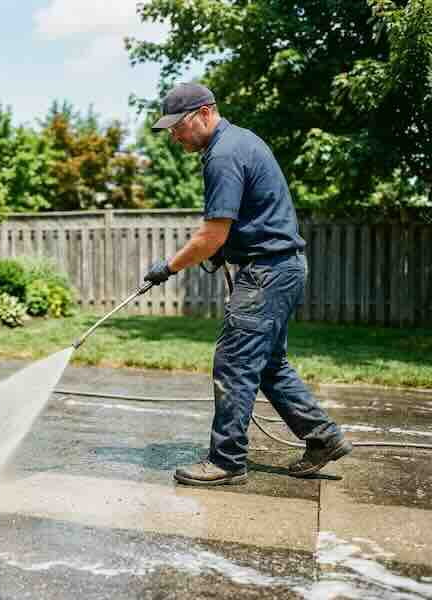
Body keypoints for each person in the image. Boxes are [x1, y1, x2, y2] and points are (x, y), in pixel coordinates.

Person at [144, 82, 351, 486]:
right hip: (282, 268)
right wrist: (232, 246)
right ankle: (322, 437)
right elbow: (242, 221)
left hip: (267, 274)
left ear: (204, 113)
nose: (174, 134)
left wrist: (167, 268)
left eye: (178, 125)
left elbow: (211, 235)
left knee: (234, 364)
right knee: (268, 365)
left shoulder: (222, 154)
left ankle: (226, 461)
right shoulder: (239, 142)